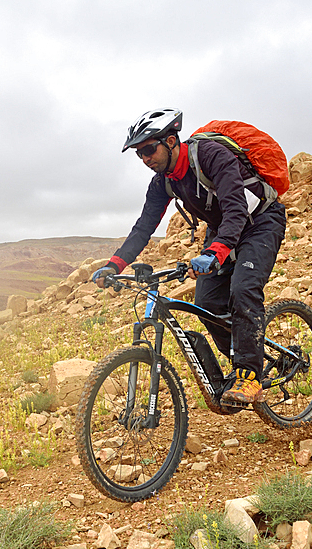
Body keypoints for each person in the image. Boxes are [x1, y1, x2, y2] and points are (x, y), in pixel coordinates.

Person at [92, 108, 286, 405]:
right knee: (206, 303)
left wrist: (215, 253)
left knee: (244, 289)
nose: (145, 159)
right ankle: (242, 357)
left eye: (148, 149)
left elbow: (236, 209)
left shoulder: (211, 155)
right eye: (138, 154)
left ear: (171, 141)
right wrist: (113, 264)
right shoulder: (163, 181)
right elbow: (144, 227)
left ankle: (249, 375)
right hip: (223, 230)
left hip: (259, 221)